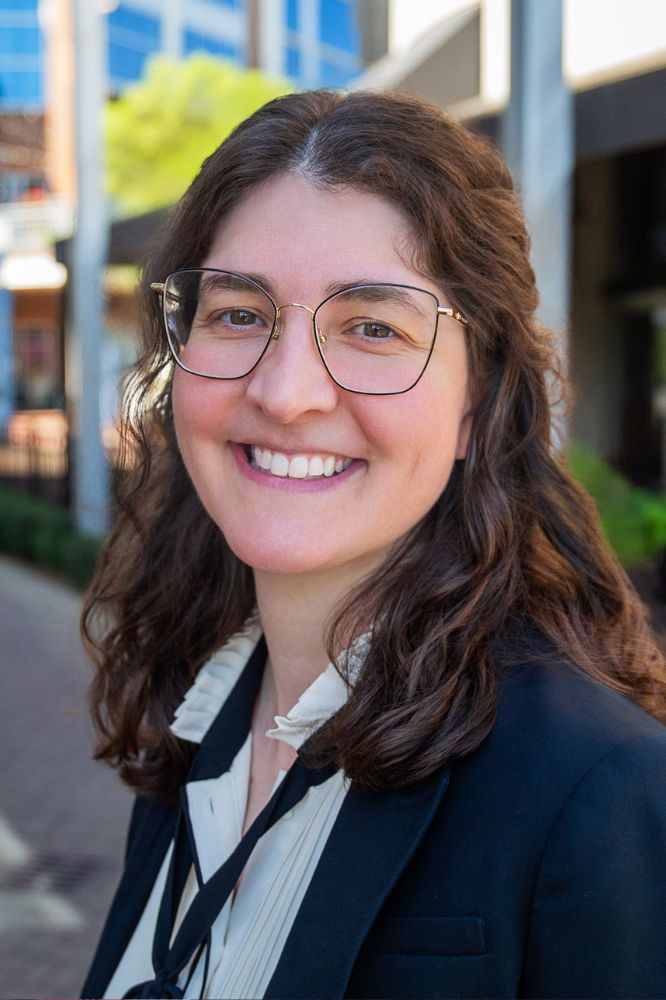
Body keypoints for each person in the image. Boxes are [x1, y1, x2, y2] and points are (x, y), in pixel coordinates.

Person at [80, 90, 666, 1000]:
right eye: (239, 312)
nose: (285, 393)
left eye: (373, 329)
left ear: (478, 405)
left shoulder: (598, 792)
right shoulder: (194, 720)